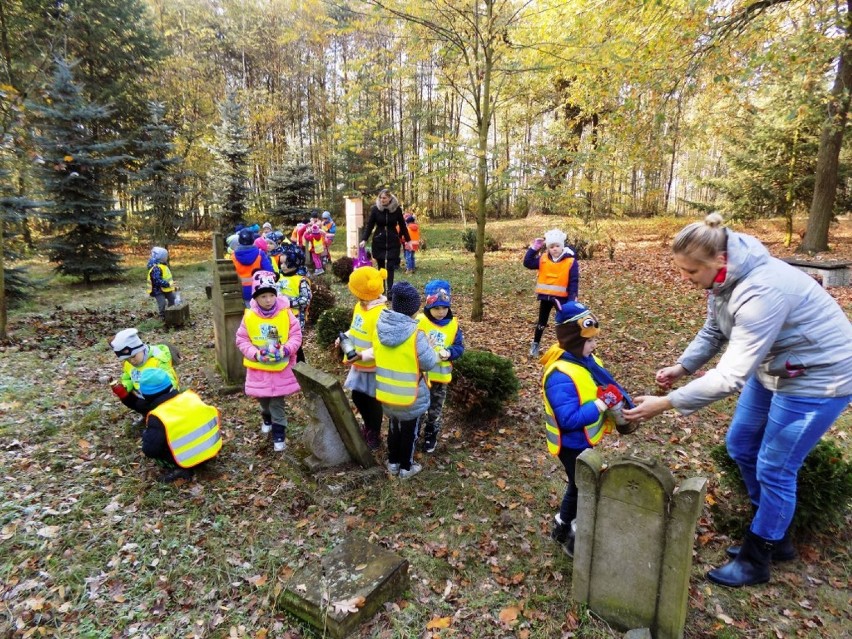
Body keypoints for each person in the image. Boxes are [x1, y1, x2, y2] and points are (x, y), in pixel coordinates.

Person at [623, 213, 852, 588]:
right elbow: (714, 329)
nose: (686, 279)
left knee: (775, 467)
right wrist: (683, 367)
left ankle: (759, 556)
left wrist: (665, 403)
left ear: (719, 261)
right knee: (741, 444)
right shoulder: (723, 282)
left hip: (819, 377)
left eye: (691, 272)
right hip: (777, 367)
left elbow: (730, 376)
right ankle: (773, 531)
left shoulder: (761, 291)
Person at [540, 301, 635, 557]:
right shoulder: (560, 375)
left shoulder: (587, 362)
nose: (595, 345)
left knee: (577, 483)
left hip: (583, 441)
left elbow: (596, 384)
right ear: (573, 341)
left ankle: (561, 524)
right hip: (571, 444)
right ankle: (574, 539)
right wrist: (601, 403)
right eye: (589, 341)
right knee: (585, 486)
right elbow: (568, 419)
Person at [374, 282, 439, 479]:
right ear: (413, 309)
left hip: (387, 391)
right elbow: (429, 363)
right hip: (410, 393)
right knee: (410, 432)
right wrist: (431, 347)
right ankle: (406, 467)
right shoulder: (415, 335)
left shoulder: (380, 328)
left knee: (394, 427)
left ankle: (392, 462)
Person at [235, 271, 302, 452]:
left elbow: (296, 335)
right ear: (256, 298)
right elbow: (242, 340)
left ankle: (279, 434)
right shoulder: (249, 316)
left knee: (277, 403)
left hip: (280, 367)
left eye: (271, 295)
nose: (268, 300)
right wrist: (255, 354)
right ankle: (266, 418)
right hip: (259, 368)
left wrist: (286, 349)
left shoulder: (286, 314)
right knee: (264, 400)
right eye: (263, 296)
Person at [137, 368, 222, 483]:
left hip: (186, 459)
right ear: (170, 385)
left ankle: (180, 469)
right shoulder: (191, 397)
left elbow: (150, 450)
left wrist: (146, 436)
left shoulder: (158, 416)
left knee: (155, 441)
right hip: (211, 448)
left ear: (145, 396)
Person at [337, 266, 388, 451]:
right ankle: (368, 426)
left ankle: (374, 432)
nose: (356, 298)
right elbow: (356, 328)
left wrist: (363, 355)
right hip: (358, 362)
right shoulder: (361, 306)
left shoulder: (381, 314)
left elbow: (381, 346)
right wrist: (345, 337)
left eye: (358, 293)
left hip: (371, 365)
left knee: (371, 400)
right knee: (358, 396)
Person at [416, 280, 464, 453]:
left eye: (444, 307)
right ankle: (414, 433)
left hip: (440, 377)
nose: (441, 312)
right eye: (436, 308)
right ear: (428, 306)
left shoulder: (453, 325)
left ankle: (431, 434)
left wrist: (449, 352)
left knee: (435, 409)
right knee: (419, 407)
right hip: (420, 376)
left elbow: (459, 347)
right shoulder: (419, 322)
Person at [523, 229, 579, 358]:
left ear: (562, 246)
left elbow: (574, 281)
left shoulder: (570, 261)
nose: (554, 249)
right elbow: (527, 263)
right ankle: (535, 345)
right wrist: (534, 248)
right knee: (541, 322)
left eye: (557, 246)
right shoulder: (543, 259)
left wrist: (572, 298)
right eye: (551, 246)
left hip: (562, 299)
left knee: (565, 322)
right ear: (548, 248)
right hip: (545, 297)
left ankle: (569, 347)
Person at [110, 328, 180, 417]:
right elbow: (127, 377)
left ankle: (162, 415)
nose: (131, 361)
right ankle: (148, 415)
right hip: (144, 396)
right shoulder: (128, 364)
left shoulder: (157, 358)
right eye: (127, 359)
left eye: (133, 356)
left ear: (140, 348)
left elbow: (170, 379)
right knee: (126, 397)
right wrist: (125, 386)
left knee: (158, 406)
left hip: (161, 394)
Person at [360, 188, 410, 298]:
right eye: (381, 198)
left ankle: (391, 291)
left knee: (391, 266)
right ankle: (381, 290)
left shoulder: (396, 209)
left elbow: (402, 225)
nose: (382, 200)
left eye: (384, 198)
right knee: (381, 267)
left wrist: (408, 240)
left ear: (390, 198)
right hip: (379, 240)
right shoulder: (375, 209)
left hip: (393, 240)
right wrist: (364, 239)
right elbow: (370, 226)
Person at [277, 245, 311, 363]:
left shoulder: (301, 280)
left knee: (296, 343)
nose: (282, 266)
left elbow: (305, 299)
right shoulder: (280, 277)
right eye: (281, 263)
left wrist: (288, 303)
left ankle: (301, 366)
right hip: (281, 316)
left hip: (296, 318)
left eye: (285, 263)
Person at [232, 227, 274, 307]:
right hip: (258, 290)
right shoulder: (260, 254)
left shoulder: (233, 256)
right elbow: (269, 272)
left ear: (239, 240)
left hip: (241, 290)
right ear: (253, 240)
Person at [147, 247, 178, 319]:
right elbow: (157, 280)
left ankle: (171, 312)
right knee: (162, 303)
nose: (166, 257)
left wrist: (172, 285)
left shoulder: (164, 266)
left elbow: (167, 277)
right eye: (165, 256)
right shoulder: (156, 268)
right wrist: (168, 284)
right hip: (157, 290)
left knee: (172, 299)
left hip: (166, 288)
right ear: (161, 257)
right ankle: (162, 316)